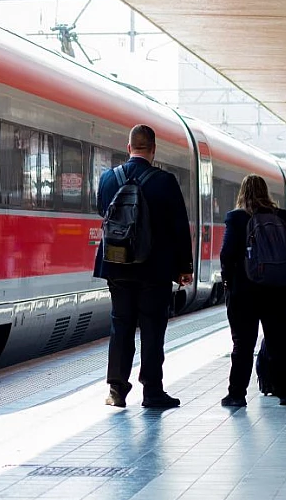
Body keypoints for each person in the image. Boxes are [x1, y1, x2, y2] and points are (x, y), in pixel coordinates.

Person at [94, 124, 193, 409]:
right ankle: (152, 391)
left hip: (117, 264)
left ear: (129, 148)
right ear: (153, 150)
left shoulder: (108, 178)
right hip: (154, 269)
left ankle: (117, 390)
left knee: (120, 325)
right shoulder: (165, 181)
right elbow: (179, 227)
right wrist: (184, 267)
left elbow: (103, 212)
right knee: (152, 328)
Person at [219, 174, 286, 407]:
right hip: (279, 290)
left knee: (243, 344)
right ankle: (284, 391)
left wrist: (228, 282)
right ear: (266, 192)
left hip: (244, 292)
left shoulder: (236, 218)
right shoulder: (284, 217)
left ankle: (237, 394)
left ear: (242, 192)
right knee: (278, 342)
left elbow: (226, 255)